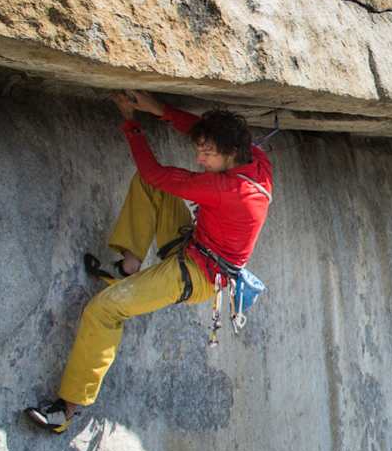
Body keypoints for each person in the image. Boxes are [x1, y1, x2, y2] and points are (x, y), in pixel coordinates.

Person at [24, 90, 274, 433]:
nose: (200, 158)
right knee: (149, 186)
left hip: (197, 274)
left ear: (230, 153)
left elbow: (156, 172)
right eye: (200, 150)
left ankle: (66, 410)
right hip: (197, 246)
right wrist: (157, 107)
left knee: (103, 310)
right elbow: (197, 131)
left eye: (207, 154)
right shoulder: (257, 162)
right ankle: (128, 267)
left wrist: (131, 122)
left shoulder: (227, 190)